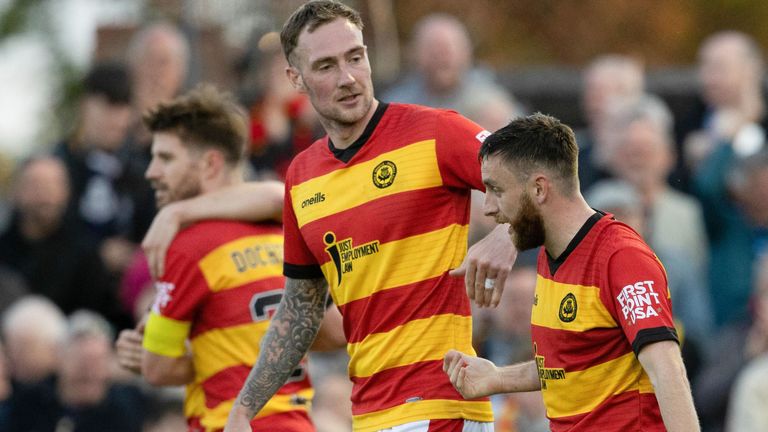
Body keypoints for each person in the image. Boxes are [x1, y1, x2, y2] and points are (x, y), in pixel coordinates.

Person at [224, 2, 516, 431]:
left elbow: (542, 174)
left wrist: (508, 234)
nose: (347, 78)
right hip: (369, 412)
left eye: (355, 58)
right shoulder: (302, 178)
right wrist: (244, 409)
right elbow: (301, 309)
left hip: (441, 406)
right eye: (325, 66)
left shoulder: (435, 131)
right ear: (296, 79)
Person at [443, 113, 699, 431]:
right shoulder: (550, 253)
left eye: (496, 190)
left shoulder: (621, 257)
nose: (488, 207)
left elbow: (667, 369)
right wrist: (497, 377)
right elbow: (569, 361)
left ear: (539, 189)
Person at [114, 84, 345, 432]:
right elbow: (331, 333)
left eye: (165, 158)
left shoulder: (191, 246)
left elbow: (158, 369)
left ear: (210, 164)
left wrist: (150, 356)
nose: (152, 172)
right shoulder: (284, 231)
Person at [4, 309, 146, 432]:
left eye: (97, 362)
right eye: (81, 361)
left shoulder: (128, 409)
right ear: (59, 358)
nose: (89, 373)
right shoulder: (29, 403)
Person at [382, 12, 520, 122]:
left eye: (448, 48)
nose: (441, 56)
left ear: (467, 52)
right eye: (432, 48)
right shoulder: (398, 105)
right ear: (414, 54)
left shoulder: (490, 102)